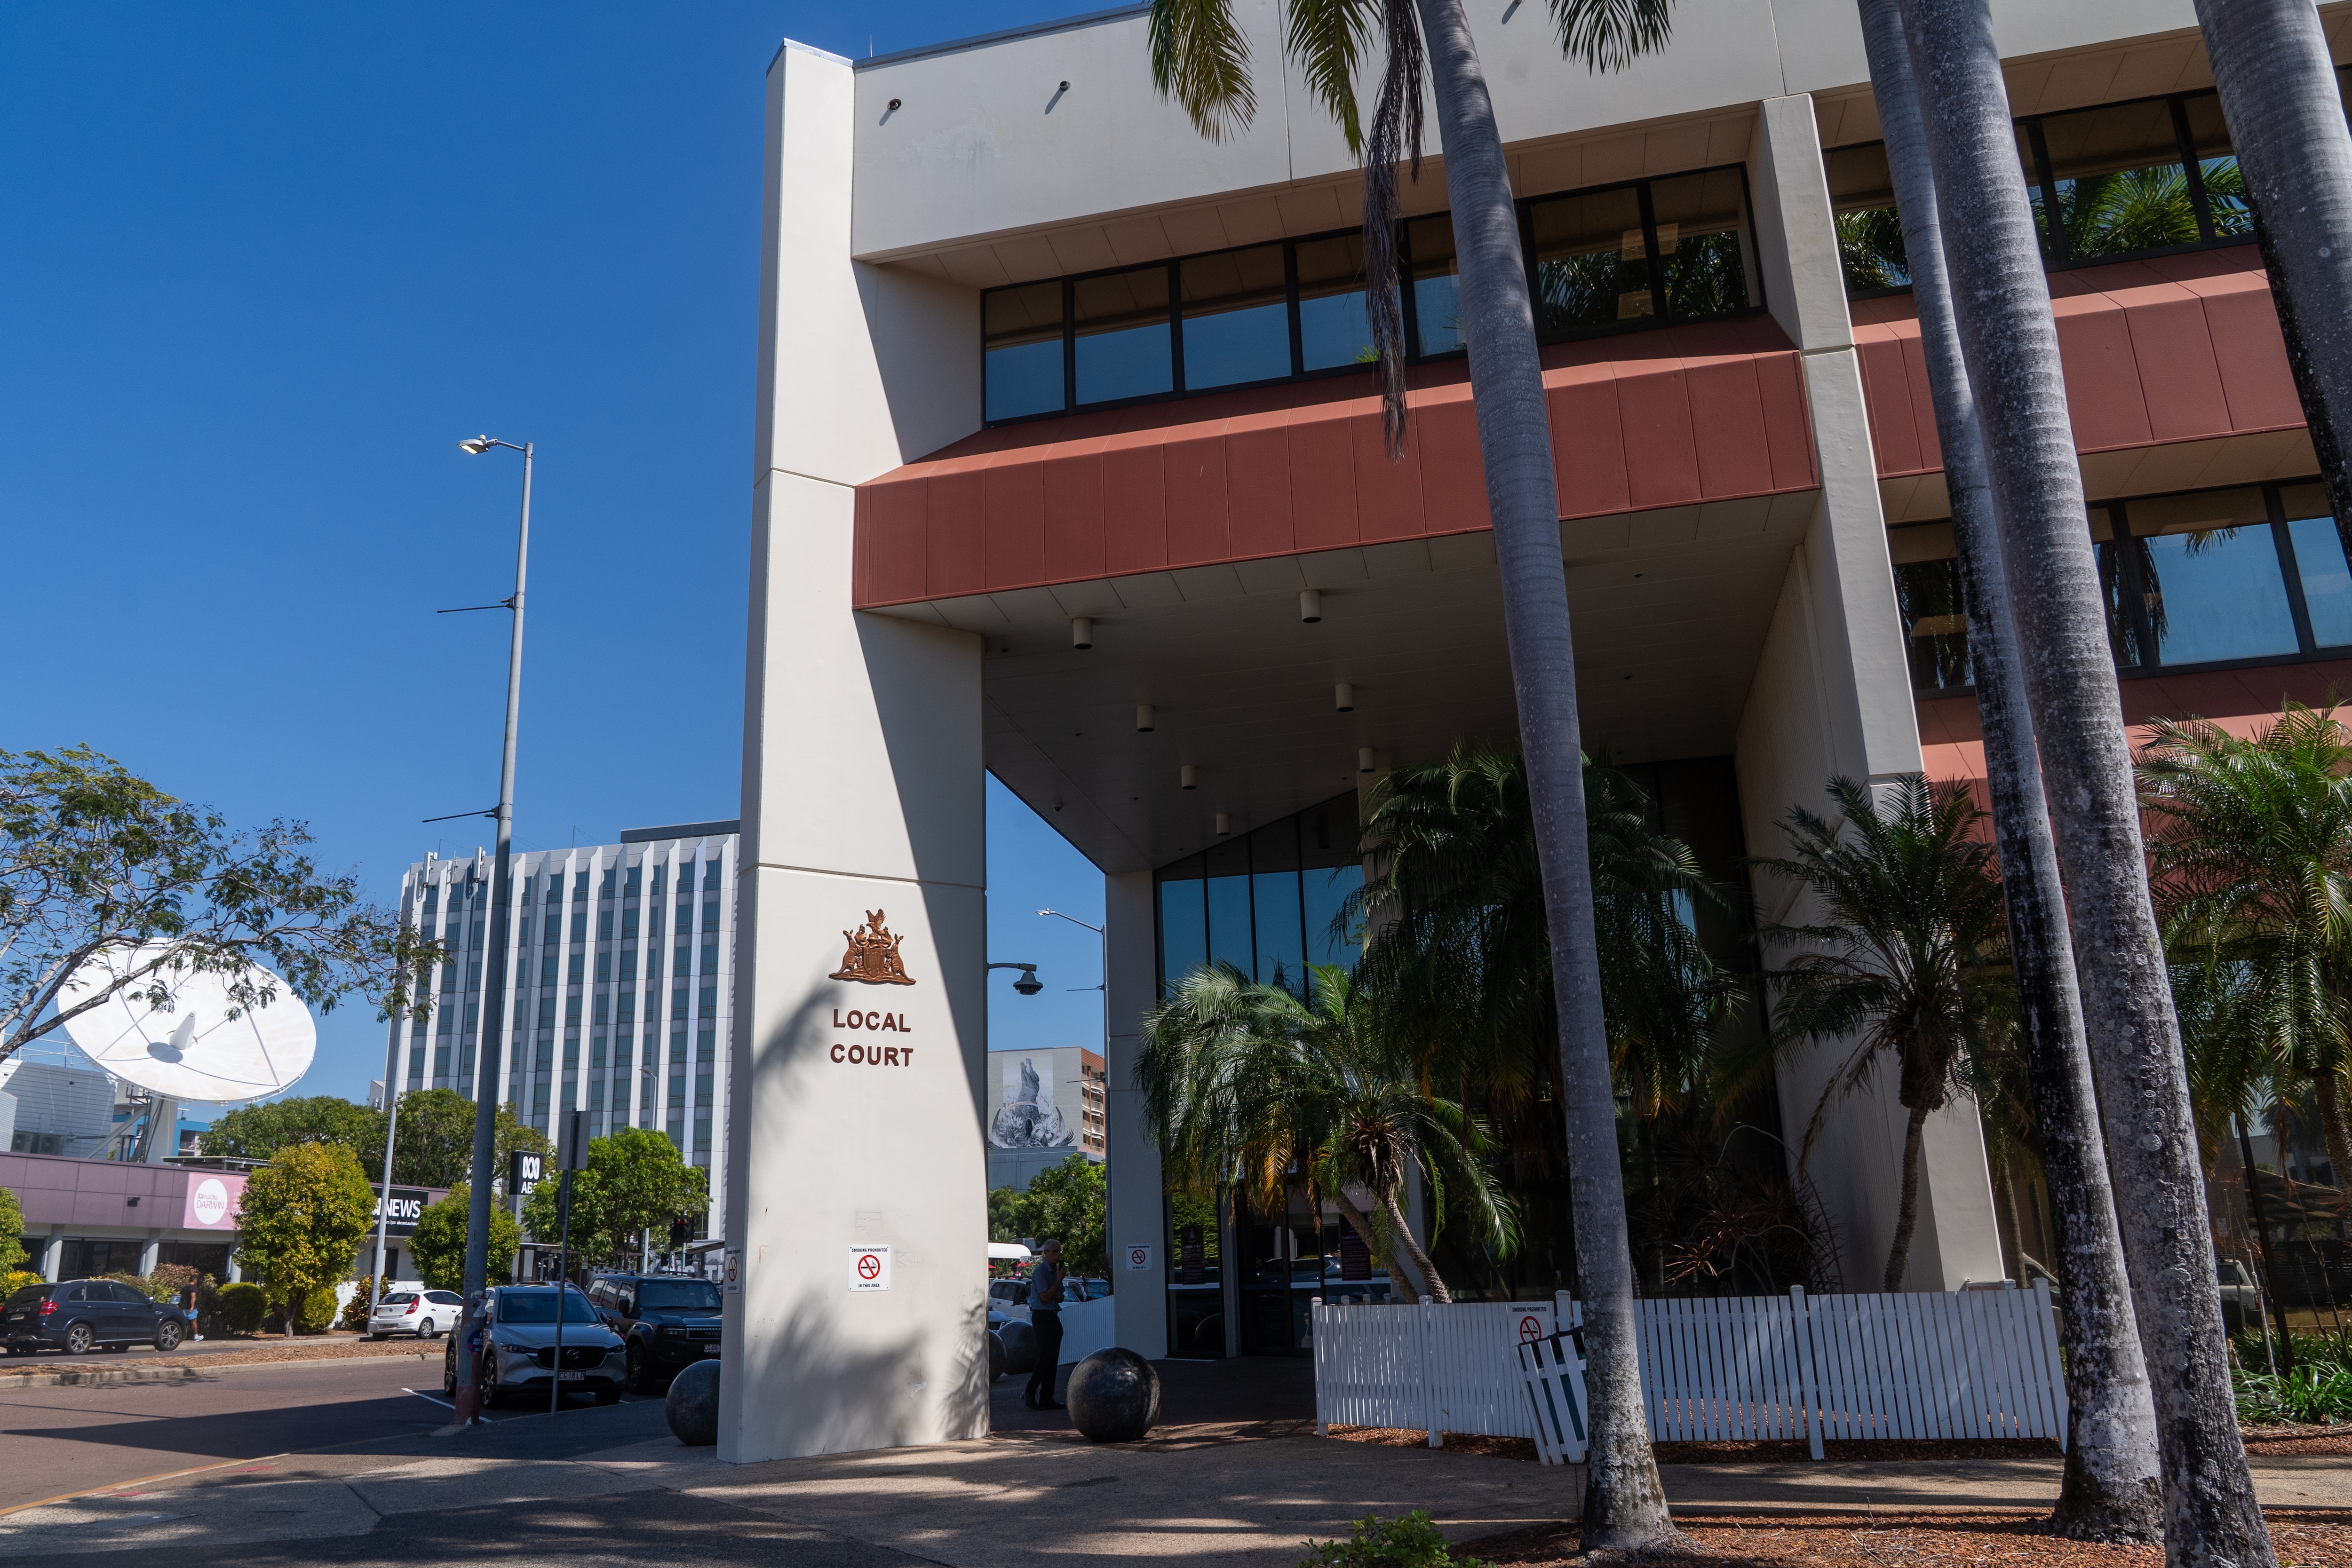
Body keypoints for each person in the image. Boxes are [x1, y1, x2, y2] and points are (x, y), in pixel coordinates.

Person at [1023, 1237, 1065, 1410]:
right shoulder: (1041, 1272)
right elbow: (1045, 1297)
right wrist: (1058, 1281)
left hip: (1053, 1315)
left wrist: (1056, 1285)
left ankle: (1047, 1397)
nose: (1057, 1255)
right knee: (1045, 1355)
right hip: (1041, 1316)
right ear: (1046, 1253)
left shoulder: (1056, 1272)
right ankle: (1029, 1392)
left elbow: (1061, 1297)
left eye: (1059, 1252)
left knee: (1052, 1358)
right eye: (1054, 1252)